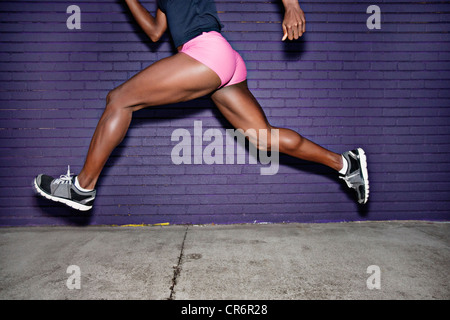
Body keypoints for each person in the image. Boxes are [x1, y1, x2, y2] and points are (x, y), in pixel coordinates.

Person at [33, 0, 369, 211]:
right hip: (224, 60)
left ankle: (82, 188)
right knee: (264, 139)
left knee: (119, 100)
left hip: (206, 52)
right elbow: (154, 32)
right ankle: (345, 164)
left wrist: (291, 4)